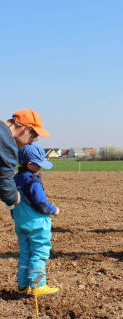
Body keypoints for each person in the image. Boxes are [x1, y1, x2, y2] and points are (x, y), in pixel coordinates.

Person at [12, 143, 60, 295]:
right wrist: (53, 209)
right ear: (30, 164)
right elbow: (40, 202)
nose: (40, 168)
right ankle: (38, 285)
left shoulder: (15, 179)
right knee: (39, 253)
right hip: (37, 224)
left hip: (21, 223)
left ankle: (23, 284)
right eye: (38, 165)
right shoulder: (32, 181)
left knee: (25, 253)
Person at [1, 109, 50, 209]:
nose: (31, 142)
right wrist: (13, 197)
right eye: (33, 137)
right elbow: (3, 178)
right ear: (26, 128)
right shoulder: (7, 143)